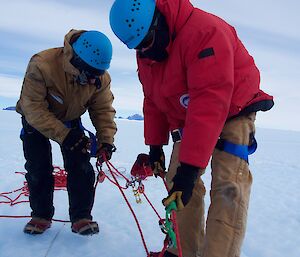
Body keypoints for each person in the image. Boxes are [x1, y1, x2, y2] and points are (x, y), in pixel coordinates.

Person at [110, 0, 274, 256]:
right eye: (138, 47)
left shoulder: (204, 31)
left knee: (228, 186)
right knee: (178, 184)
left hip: (234, 109)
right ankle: (181, 251)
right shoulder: (147, 49)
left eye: (147, 42)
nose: (144, 51)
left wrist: (190, 168)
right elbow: (152, 98)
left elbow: (210, 101)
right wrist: (155, 146)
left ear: (158, 20)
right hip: (189, 117)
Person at [16, 29, 117, 236]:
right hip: (35, 119)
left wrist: (106, 140)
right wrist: (64, 135)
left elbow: (103, 109)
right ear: (77, 62)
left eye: (97, 75)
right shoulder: (41, 65)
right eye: (90, 74)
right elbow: (33, 108)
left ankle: (81, 217)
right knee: (38, 167)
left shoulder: (99, 77)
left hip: (71, 118)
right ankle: (41, 215)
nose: (93, 81)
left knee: (81, 166)